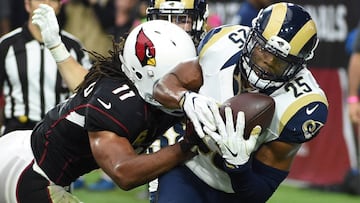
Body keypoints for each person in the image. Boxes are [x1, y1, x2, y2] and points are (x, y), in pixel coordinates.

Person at [0, 7, 200, 202]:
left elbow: (83, 84)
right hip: (28, 172)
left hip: (27, 155)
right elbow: (124, 172)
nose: (185, 86)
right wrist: (188, 145)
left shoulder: (129, 85)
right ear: (150, 75)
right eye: (177, 78)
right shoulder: (120, 104)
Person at [153, 2, 328, 203]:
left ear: (298, 65)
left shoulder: (301, 106)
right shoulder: (222, 45)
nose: (267, 62)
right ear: (251, 38)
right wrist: (185, 99)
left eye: (280, 61)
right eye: (263, 50)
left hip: (234, 193)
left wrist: (240, 167)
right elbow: (165, 85)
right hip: (188, 168)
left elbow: (262, 190)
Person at [146, 0, 208, 201]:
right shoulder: (140, 57)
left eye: (182, 19)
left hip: (208, 166)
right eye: (164, 18)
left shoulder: (214, 57)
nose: (171, 27)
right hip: (161, 160)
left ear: (199, 21)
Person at [0, 0, 91, 136]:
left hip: (60, 132)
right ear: (27, 5)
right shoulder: (7, 45)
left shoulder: (74, 47)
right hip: (17, 131)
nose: (46, 4)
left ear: (60, 6)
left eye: (53, 0)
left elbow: (88, 91)